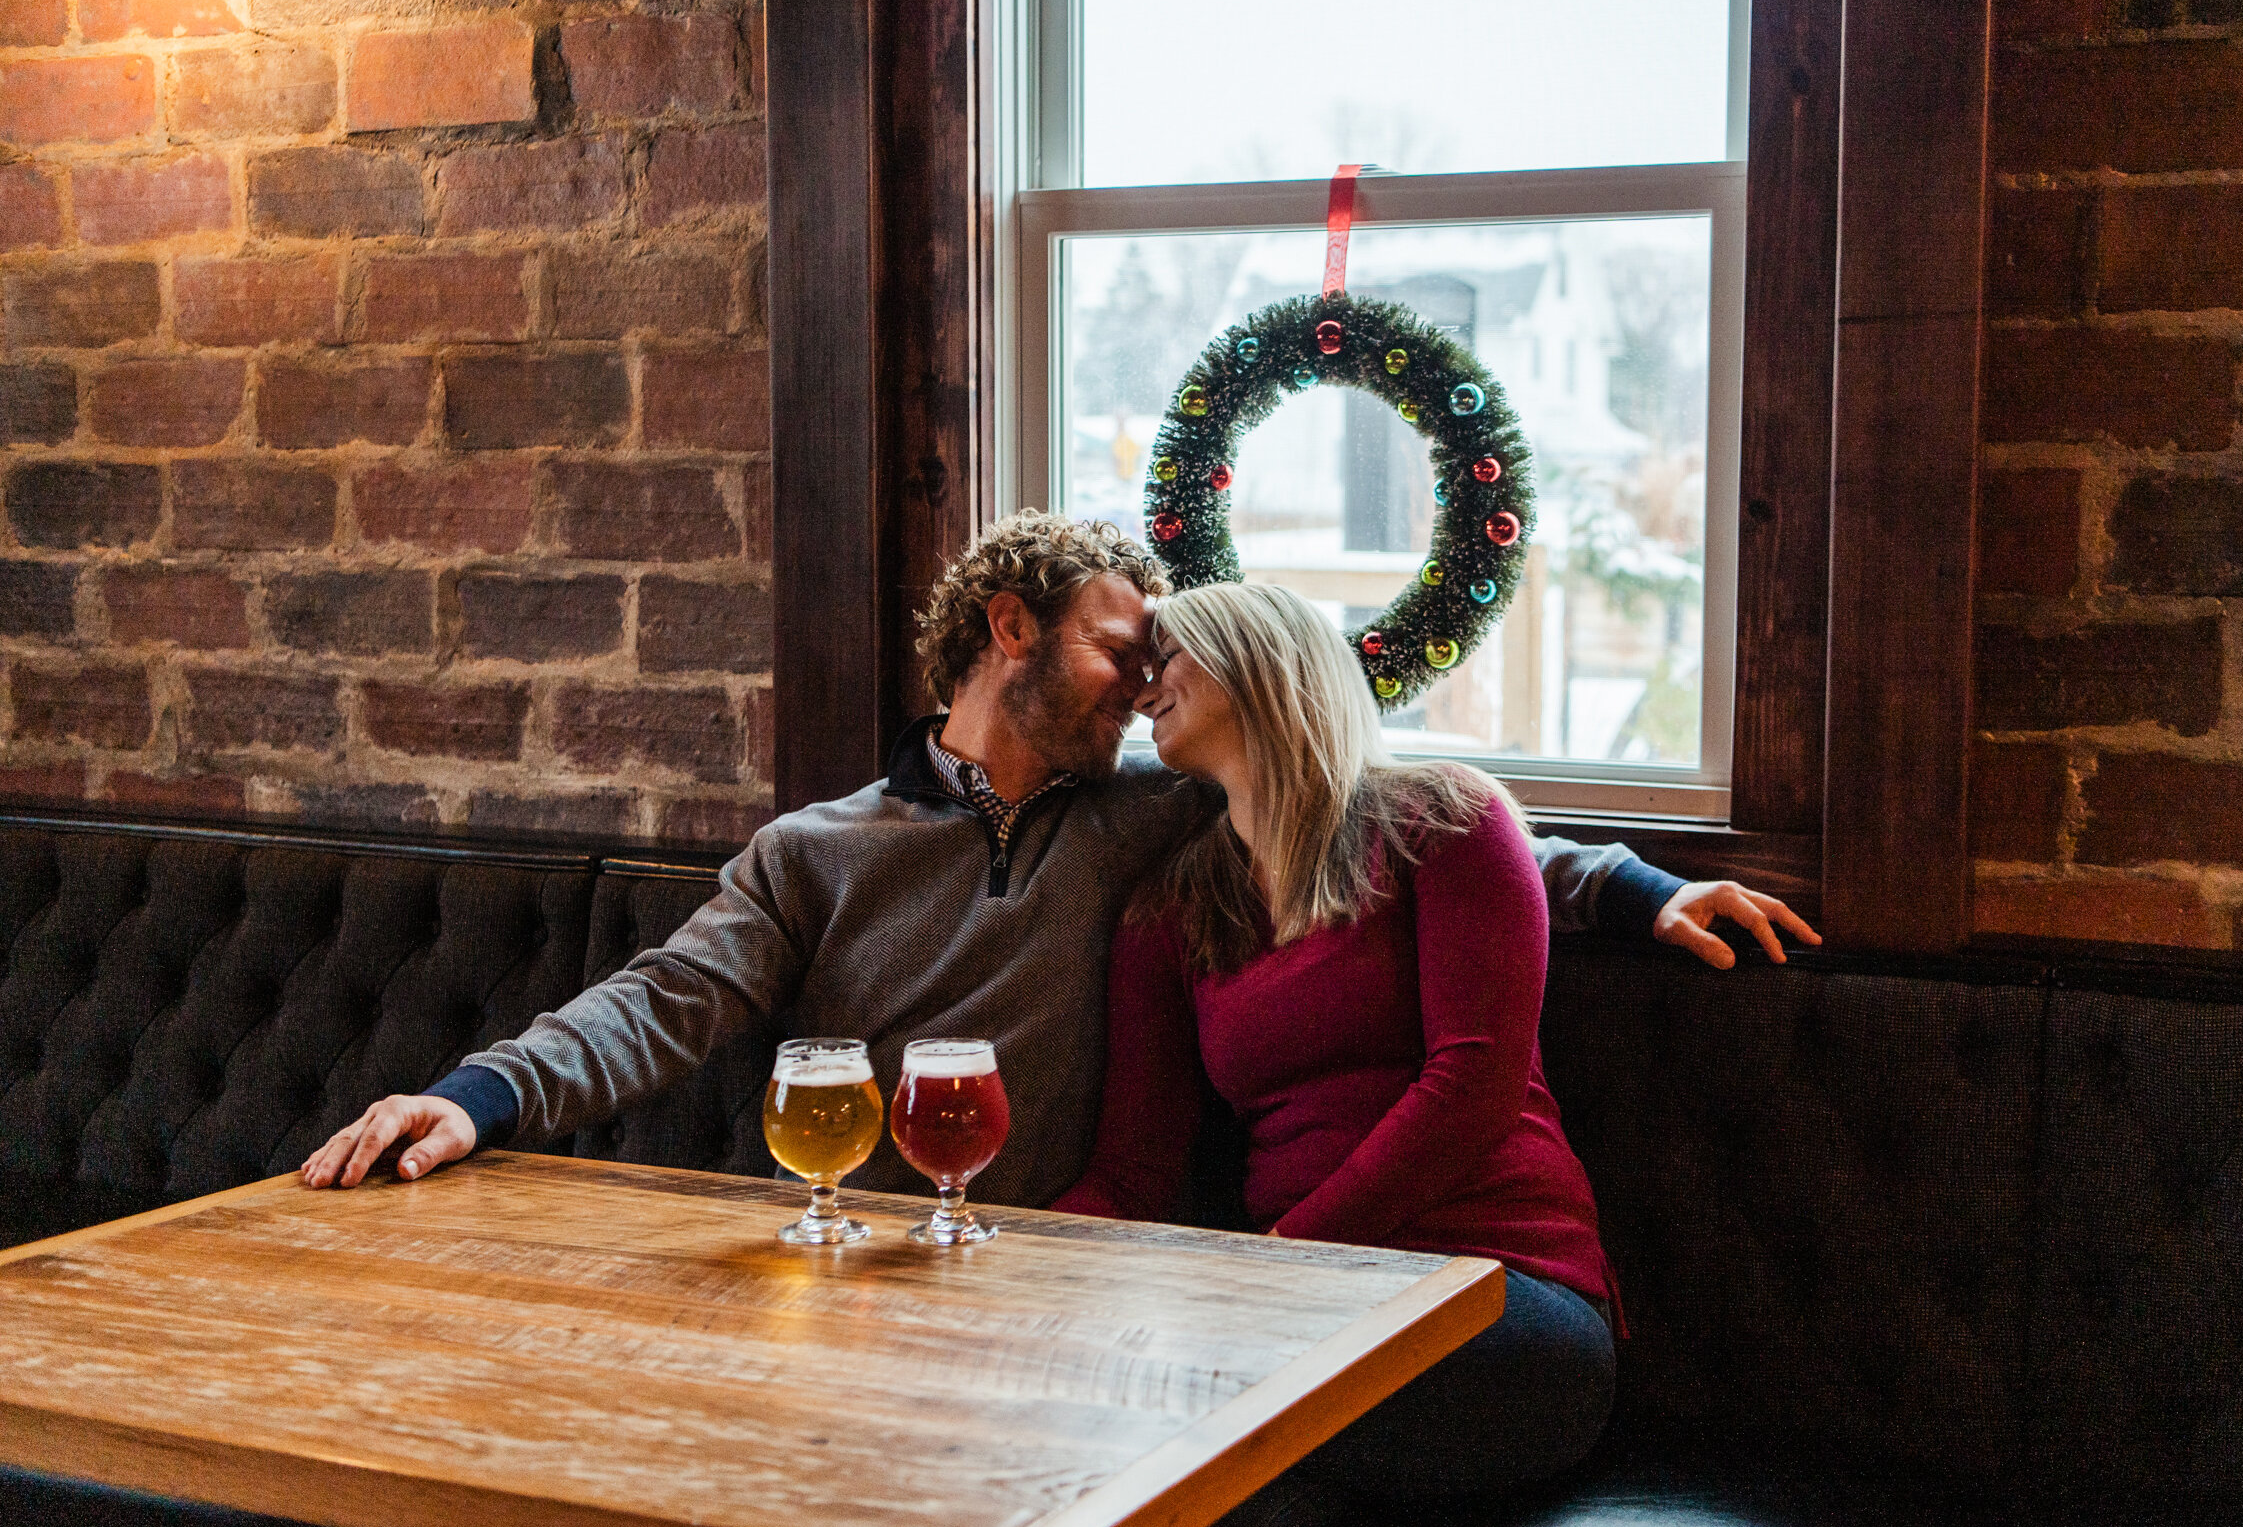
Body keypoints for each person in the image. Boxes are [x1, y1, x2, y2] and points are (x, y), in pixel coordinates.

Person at [303, 513, 1814, 1199]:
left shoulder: (1162, 814)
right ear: (1009, 632)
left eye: (1165, 662)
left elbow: (1403, 821)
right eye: (1121, 647)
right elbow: (661, 1000)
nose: (1150, 684)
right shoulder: (816, 852)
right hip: (869, 1253)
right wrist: (472, 1096)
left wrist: (1643, 886)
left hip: (1064, 1268)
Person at [1053, 582, 1814, 1527]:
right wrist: (1009, 1271)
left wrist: (1282, 1263)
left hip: (1499, 1292)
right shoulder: (1170, 909)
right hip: (1291, 1322)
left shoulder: (1442, 819)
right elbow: (1133, 1170)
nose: (1146, 683)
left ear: (1263, 661)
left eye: (1171, 655)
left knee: (1192, 1430)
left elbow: (1472, 1088)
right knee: (1251, 1511)